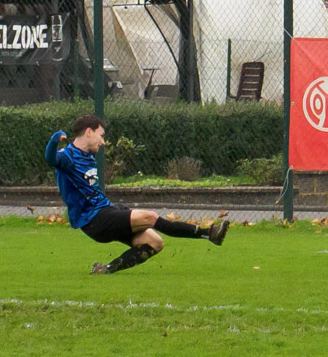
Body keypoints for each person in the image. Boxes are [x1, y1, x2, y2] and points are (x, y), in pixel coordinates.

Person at [45, 115, 230, 274]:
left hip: (107, 211)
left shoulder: (88, 155)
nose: (103, 142)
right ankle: (209, 233)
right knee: (150, 217)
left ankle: (106, 269)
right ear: (88, 132)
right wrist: (54, 140)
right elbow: (50, 159)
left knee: (155, 243)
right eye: (101, 135)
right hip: (93, 220)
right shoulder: (67, 156)